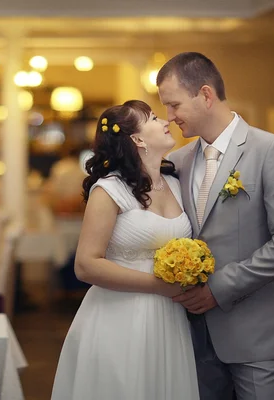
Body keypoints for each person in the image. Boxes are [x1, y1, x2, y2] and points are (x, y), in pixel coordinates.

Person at [159, 52, 274, 400]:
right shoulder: (177, 162)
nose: (169, 117)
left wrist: (219, 288)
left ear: (206, 95)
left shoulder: (270, 150)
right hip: (192, 337)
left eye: (174, 105)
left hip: (256, 334)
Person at [51, 100, 200, 400]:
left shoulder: (176, 182)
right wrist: (160, 287)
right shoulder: (109, 189)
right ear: (137, 139)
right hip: (119, 318)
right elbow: (86, 265)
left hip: (170, 318)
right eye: (155, 118)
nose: (166, 121)